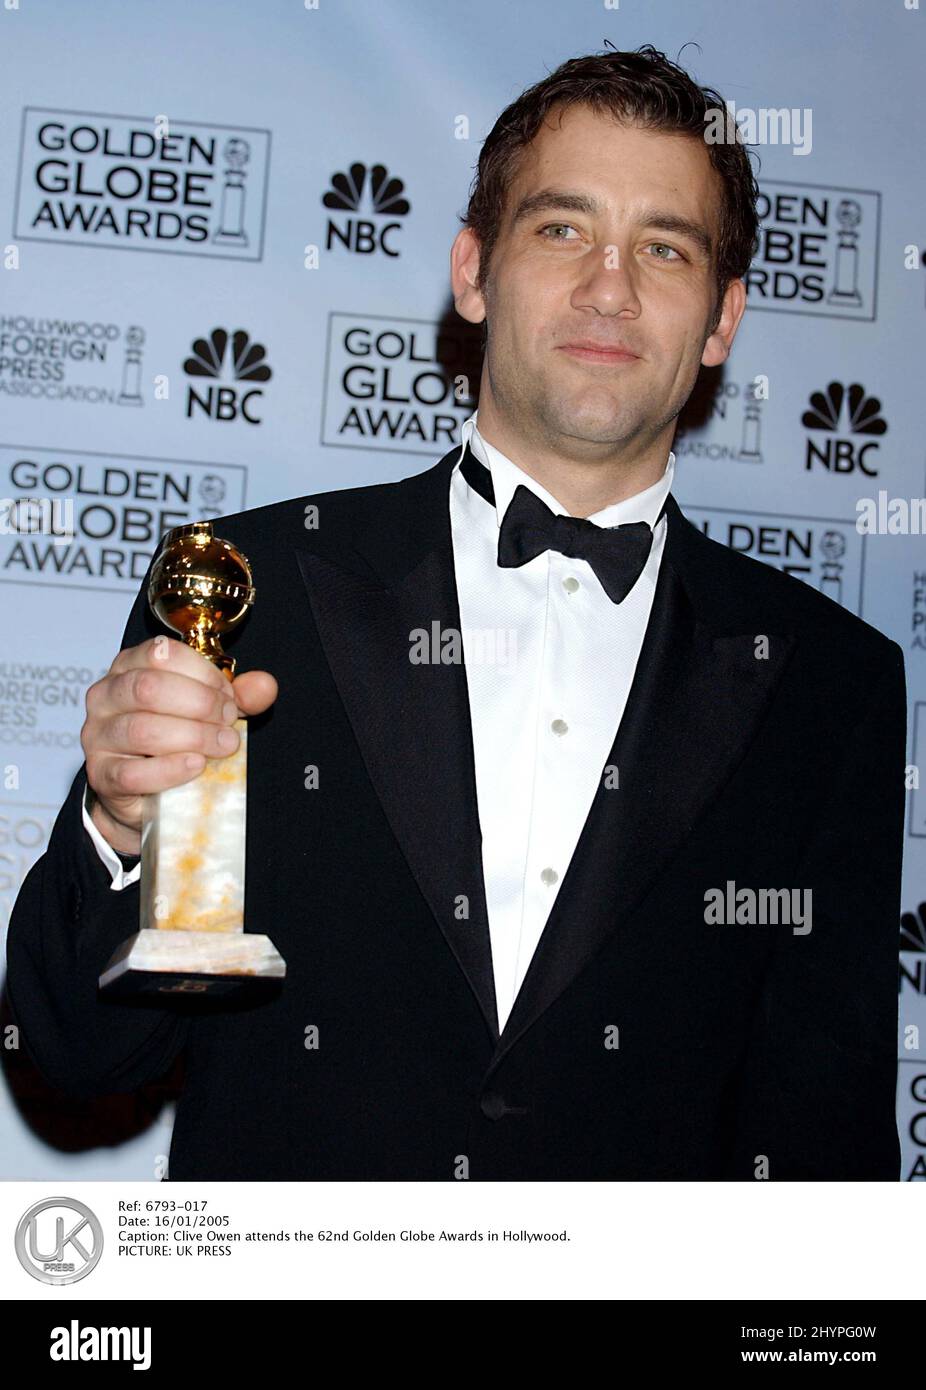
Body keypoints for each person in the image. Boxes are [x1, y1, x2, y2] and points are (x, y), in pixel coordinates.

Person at [6, 46, 905, 1180]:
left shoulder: (828, 681)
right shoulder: (253, 587)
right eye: (561, 229)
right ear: (472, 272)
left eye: (663, 248)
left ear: (722, 319)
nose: (610, 288)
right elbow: (83, 1053)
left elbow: (819, 1141)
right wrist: (119, 827)